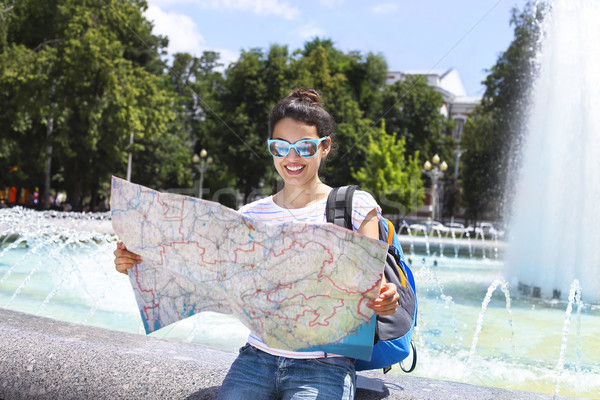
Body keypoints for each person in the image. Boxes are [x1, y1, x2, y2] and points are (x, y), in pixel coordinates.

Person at [114, 88, 399, 400]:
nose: (292, 158)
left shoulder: (356, 205)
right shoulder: (250, 215)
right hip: (256, 359)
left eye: (305, 147)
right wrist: (137, 261)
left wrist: (385, 297)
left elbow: (376, 287)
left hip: (324, 366)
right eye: (280, 147)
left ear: (325, 146)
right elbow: (202, 275)